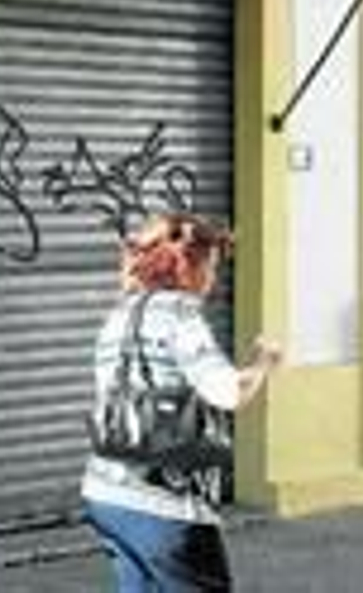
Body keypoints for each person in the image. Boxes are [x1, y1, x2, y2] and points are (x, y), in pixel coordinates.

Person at [81, 212, 282, 592]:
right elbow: (228, 392)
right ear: (188, 263)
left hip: (107, 495)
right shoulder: (178, 315)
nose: (214, 277)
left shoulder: (119, 316)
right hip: (162, 505)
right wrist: (263, 364)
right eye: (212, 265)